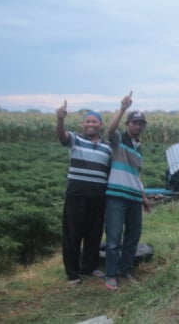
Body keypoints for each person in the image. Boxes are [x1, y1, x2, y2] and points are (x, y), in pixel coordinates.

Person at [56, 102, 112, 284]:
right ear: (82, 125)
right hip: (76, 195)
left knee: (94, 234)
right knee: (73, 234)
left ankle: (88, 268)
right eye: (87, 121)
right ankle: (72, 274)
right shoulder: (75, 139)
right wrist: (60, 119)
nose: (90, 124)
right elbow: (62, 136)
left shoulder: (107, 147)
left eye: (94, 122)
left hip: (98, 197)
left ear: (100, 125)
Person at [104, 92, 152, 291]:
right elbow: (109, 130)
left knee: (133, 236)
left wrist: (144, 197)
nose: (138, 126)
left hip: (133, 197)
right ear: (127, 124)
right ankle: (111, 274)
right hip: (116, 196)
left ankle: (126, 270)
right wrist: (123, 108)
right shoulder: (118, 141)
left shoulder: (138, 147)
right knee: (114, 237)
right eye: (134, 123)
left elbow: (136, 175)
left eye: (141, 124)